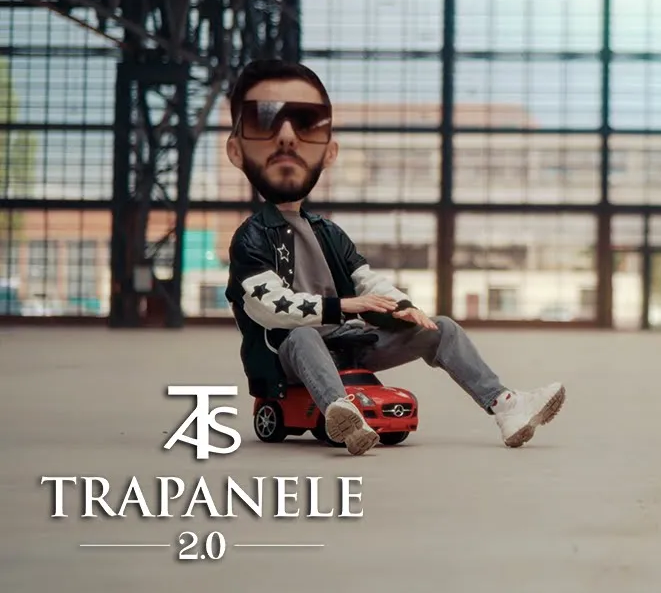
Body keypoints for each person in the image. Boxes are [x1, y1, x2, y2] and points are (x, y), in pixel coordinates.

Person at [222, 59, 566, 456]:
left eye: (306, 126)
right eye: (266, 124)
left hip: (348, 342)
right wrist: (343, 306)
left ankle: (505, 405)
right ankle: (342, 414)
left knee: (441, 329)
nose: (287, 140)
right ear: (237, 151)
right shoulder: (252, 237)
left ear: (328, 153)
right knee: (302, 335)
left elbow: (368, 280)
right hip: (286, 351)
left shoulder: (327, 232)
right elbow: (267, 307)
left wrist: (403, 308)